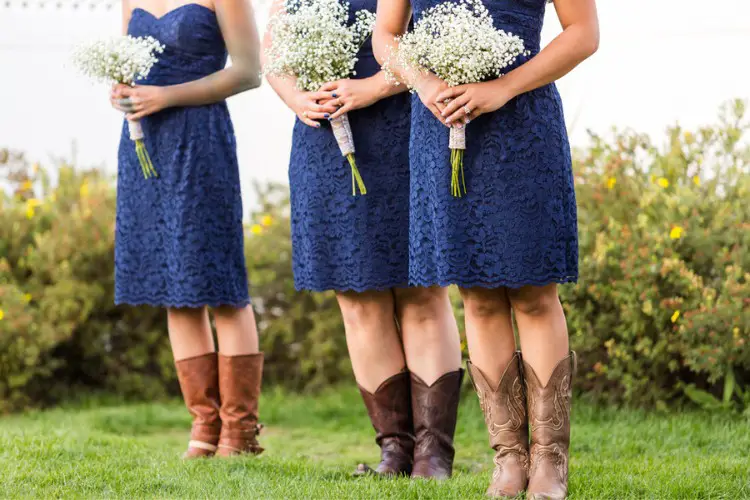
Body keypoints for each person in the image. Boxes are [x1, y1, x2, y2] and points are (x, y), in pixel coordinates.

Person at [374, 0, 599, 496]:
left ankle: (548, 460)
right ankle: (509, 458)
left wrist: (502, 88)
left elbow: (583, 33)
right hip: (441, 125)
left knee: (533, 292)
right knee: (475, 295)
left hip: (523, 122)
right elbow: (385, 35)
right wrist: (426, 83)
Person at [263, 0, 463, 479]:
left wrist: (373, 88)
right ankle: (394, 451)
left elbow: (437, 43)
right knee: (357, 297)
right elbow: (272, 48)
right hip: (324, 137)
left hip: (404, 128)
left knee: (420, 291)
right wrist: (296, 97)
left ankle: (433, 455)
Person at [110, 0, 264, 458]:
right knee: (173, 285)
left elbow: (248, 72)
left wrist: (167, 96)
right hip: (145, 142)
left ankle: (240, 433)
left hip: (201, 140)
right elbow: (126, 67)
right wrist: (120, 92)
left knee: (219, 283)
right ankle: (204, 427)